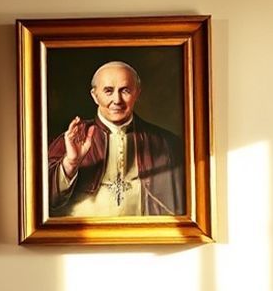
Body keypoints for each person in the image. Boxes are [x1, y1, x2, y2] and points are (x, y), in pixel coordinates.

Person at [48, 60, 185, 217]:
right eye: (108, 91)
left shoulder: (164, 143)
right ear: (95, 96)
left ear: (137, 93)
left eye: (125, 90)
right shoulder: (74, 138)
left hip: (142, 236)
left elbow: (178, 206)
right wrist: (70, 163)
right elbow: (43, 199)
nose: (117, 100)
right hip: (83, 237)